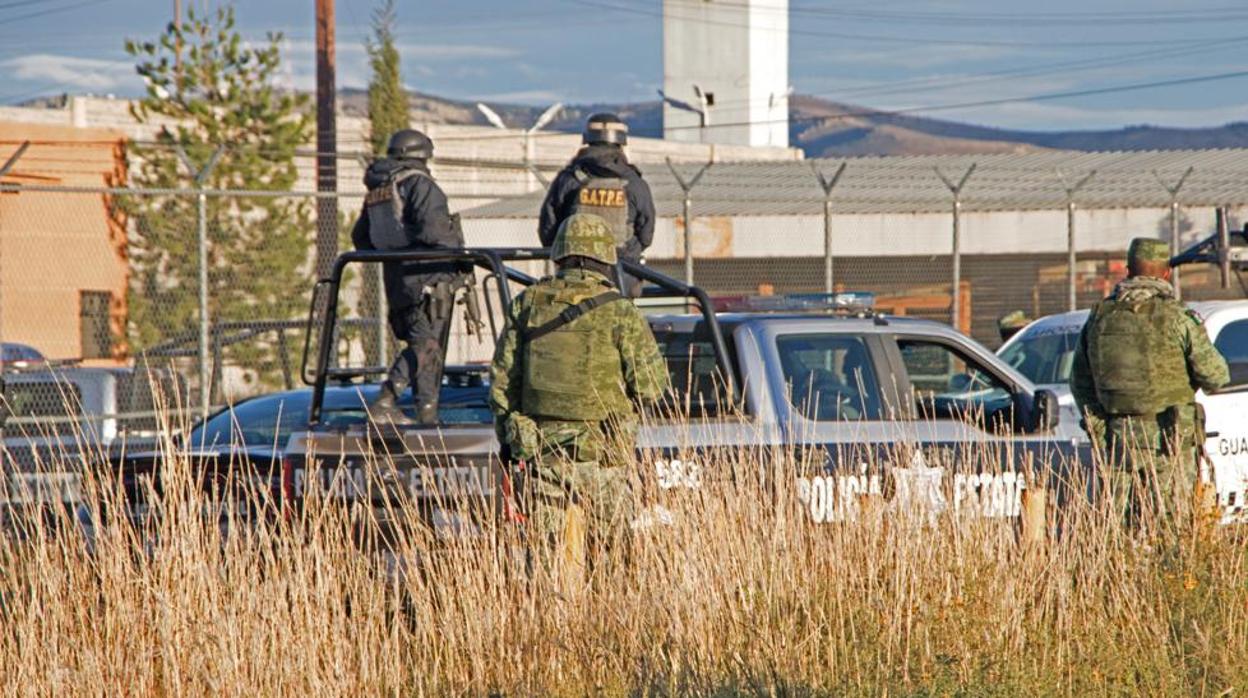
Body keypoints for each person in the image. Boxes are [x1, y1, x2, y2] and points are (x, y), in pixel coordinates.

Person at [490, 213, 669, 568]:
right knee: (614, 565)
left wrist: (510, 442)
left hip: (543, 455)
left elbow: (502, 384)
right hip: (603, 457)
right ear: (605, 258)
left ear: (559, 255)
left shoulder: (527, 304)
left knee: (544, 566)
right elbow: (651, 387)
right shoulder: (619, 311)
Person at [1070, 237, 1229, 530]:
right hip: (1169, 444)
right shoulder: (1179, 318)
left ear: (1128, 270)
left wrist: (1101, 425)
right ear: (1167, 273)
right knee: (1173, 533)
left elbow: (1080, 382)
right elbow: (1216, 376)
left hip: (1119, 441)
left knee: (1115, 534)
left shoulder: (1100, 318)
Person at [352, 129, 467, 425]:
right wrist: (459, 252)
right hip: (427, 278)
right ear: (422, 155)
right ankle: (386, 400)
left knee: (427, 346)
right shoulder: (419, 183)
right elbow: (435, 230)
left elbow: (361, 237)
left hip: (397, 280)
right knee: (426, 345)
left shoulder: (379, 189)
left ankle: (427, 417)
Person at [537, 113, 656, 295]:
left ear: (587, 139)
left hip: (574, 276)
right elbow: (646, 234)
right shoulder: (634, 183)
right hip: (622, 274)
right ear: (621, 142)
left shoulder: (569, 179)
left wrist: (569, 256)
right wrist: (625, 255)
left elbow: (548, 229)